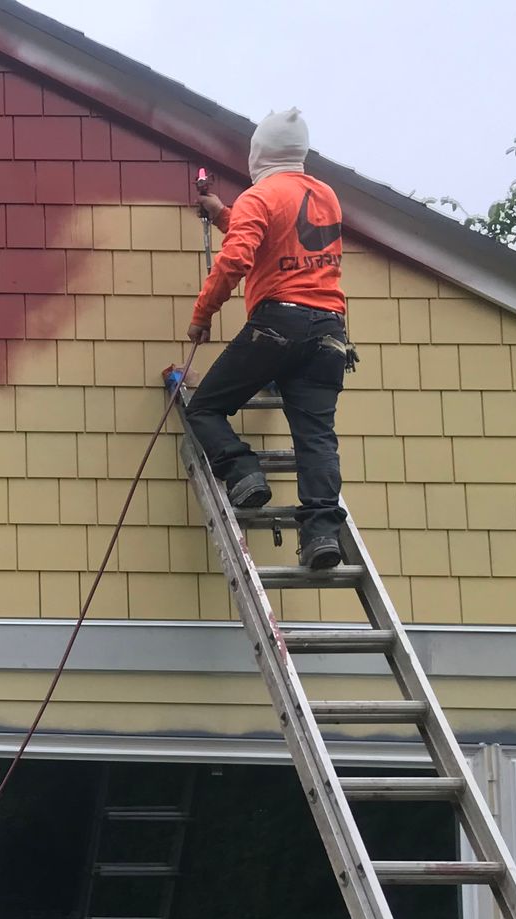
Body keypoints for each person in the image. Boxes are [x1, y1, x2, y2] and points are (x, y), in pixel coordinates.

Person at [185, 108, 354, 571]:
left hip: (279, 325)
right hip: (330, 333)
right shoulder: (326, 196)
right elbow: (281, 235)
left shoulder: (261, 195)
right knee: (316, 439)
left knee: (205, 407)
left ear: (259, 152)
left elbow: (238, 257)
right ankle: (321, 534)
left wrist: (202, 315)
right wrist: (223, 214)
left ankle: (243, 472)